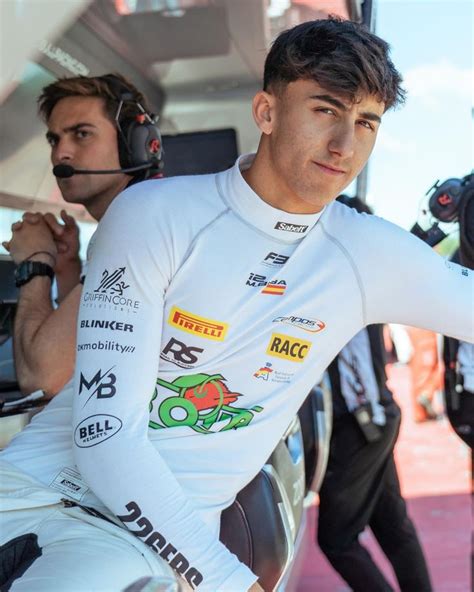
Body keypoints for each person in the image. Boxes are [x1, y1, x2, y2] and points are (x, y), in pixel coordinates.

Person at [1, 17, 473, 592]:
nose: (345, 146)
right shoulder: (154, 213)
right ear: (266, 112)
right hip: (25, 489)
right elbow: (105, 432)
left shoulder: (367, 251)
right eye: (325, 110)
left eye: (366, 122)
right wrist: (230, 581)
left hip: (132, 545)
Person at [1, 73, 162, 397]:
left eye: (82, 134)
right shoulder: (143, 217)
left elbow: (43, 379)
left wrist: (36, 264)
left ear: (135, 145)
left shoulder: (141, 228)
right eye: (54, 140)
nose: (61, 153)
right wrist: (67, 268)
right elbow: (89, 339)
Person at [317, 196, 432, 592]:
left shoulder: (345, 281)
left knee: (337, 539)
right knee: (392, 525)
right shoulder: (359, 277)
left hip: (363, 422)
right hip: (374, 417)